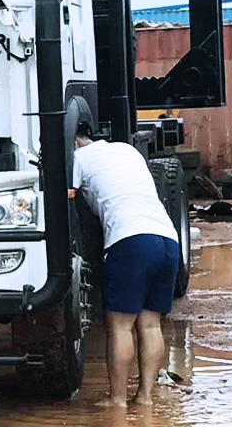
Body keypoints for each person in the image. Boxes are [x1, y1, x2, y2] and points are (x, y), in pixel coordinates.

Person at [72, 121, 179, 408]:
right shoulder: (127, 150)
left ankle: (117, 400)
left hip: (130, 238)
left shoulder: (77, 158)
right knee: (150, 324)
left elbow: (66, 200)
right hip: (167, 238)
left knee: (119, 327)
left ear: (73, 140)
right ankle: (145, 397)